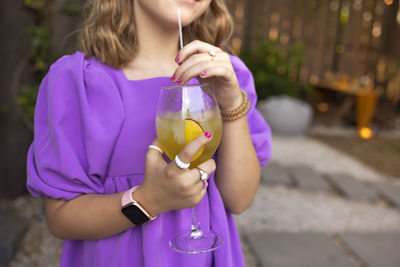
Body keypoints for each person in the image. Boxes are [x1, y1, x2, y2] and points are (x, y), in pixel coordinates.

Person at [26, 0, 272, 266]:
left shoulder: (225, 75)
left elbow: (239, 199)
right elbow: (61, 219)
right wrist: (148, 200)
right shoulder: (80, 83)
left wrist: (232, 105)